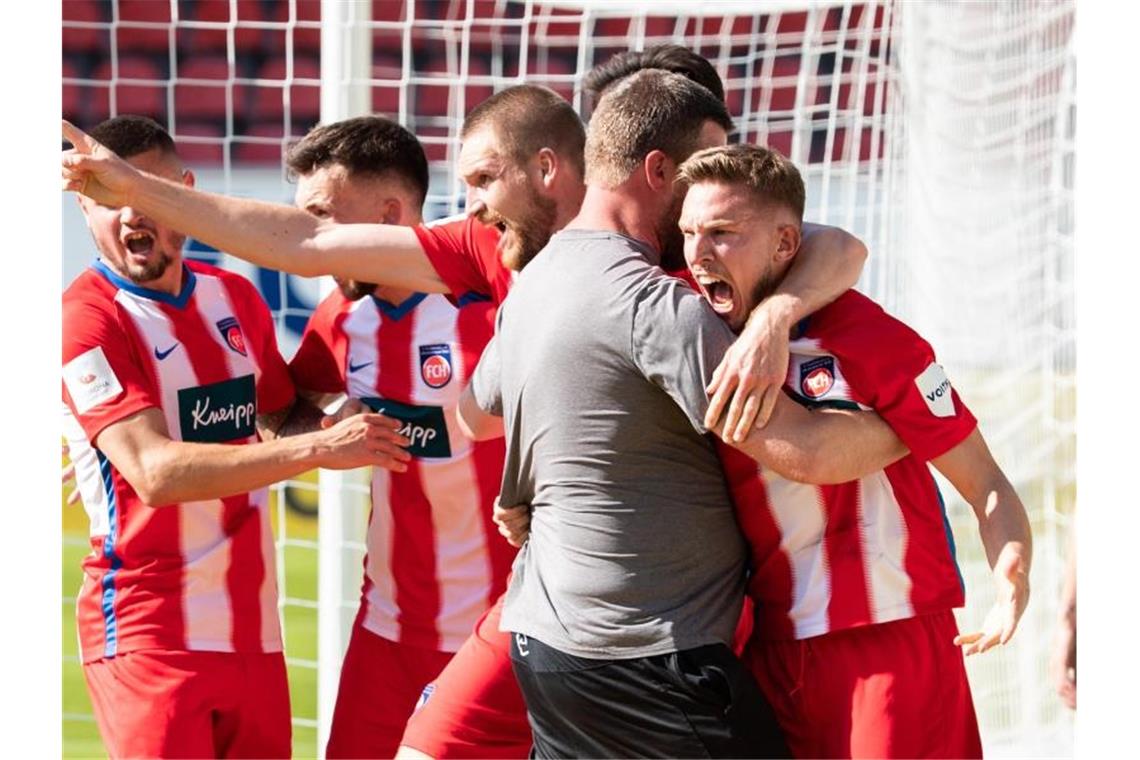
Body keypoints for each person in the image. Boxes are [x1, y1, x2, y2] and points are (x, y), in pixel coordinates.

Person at [456, 70, 907, 759]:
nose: (710, 198)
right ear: (659, 170)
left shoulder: (535, 281)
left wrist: (552, 468)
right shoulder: (657, 307)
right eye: (698, 174)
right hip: (649, 665)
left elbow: (473, 413)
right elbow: (807, 452)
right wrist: (922, 419)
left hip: (545, 654)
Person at [61, 116, 409, 759]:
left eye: (149, 191)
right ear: (83, 205)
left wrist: (343, 420)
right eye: (110, 198)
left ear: (187, 194)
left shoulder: (235, 298)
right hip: (148, 635)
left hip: (253, 635)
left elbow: (280, 413)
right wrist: (317, 450)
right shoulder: (86, 320)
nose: (131, 213)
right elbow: (155, 474)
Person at [675, 143, 1033, 757]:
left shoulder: (873, 338)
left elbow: (987, 484)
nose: (699, 253)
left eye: (723, 232)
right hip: (767, 649)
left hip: (887, 643)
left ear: (787, 244)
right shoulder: (684, 320)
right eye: (688, 233)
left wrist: (1012, 576)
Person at [283, 115, 515, 758]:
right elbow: (284, 403)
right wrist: (324, 434)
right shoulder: (341, 316)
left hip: (501, 627)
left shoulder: (491, 300)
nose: (305, 240)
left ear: (388, 215)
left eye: (322, 217)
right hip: (387, 629)